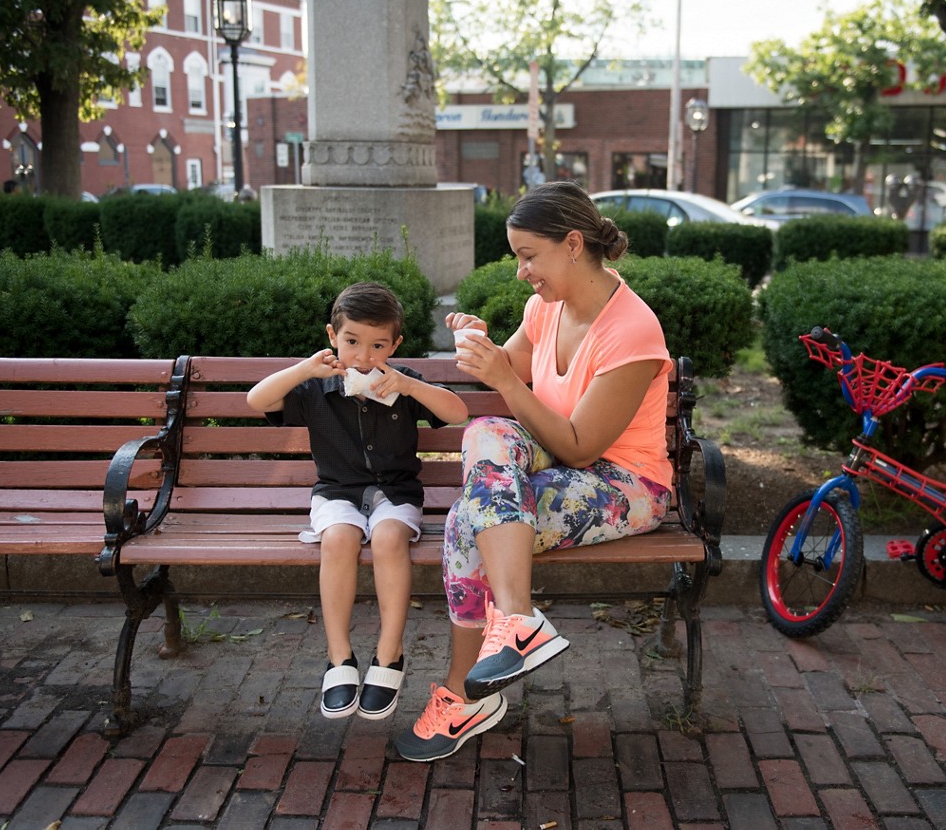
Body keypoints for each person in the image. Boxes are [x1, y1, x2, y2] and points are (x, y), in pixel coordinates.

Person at [395, 182, 673, 762]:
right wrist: (482, 347)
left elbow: (578, 446)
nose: (522, 273)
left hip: (627, 483)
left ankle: (466, 695)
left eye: (528, 256)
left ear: (573, 244)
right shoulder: (545, 308)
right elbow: (516, 368)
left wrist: (501, 379)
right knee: (483, 433)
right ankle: (518, 622)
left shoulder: (632, 332)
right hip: (560, 459)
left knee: (468, 521)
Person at [246, 281, 468, 721]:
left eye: (377, 345)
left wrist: (407, 384)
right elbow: (257, 399)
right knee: (339, 540)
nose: (363, 357)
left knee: (388, 540)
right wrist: (305, 370)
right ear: (333, 336)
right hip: (337, 492)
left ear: (395, 345)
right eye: (351, 342)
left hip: (395, 494)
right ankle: (339, 657)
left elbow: (456, 413)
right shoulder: (316, 387)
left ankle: (389, 653)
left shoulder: (401, 384)